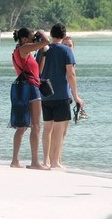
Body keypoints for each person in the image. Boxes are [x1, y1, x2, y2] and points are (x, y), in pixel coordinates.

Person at [40, 24, 84, 169]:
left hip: (45, 94)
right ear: (64, 35)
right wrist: (76, 96)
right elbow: (71, 74)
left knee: (47, 128)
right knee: (59, 129)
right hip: (61, 95)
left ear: (51, 34)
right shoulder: (66, 50)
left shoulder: (43, 50)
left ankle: (46, 161)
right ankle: (55, 162)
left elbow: (38, 70)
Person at [10, 28, 50, 169]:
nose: (35, 39)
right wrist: (41, 32)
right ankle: (35, 162)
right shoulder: (25, 48)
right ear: (25, 39)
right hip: (31, 89)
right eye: (32, 37)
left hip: (23, 88)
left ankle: (15, 160)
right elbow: (47, 41)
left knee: (22, 127)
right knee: (36, 126)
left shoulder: (20, 51)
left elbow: (37, 72)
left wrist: (43, 54)